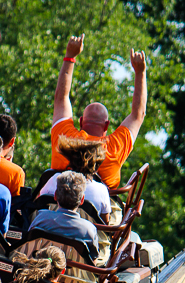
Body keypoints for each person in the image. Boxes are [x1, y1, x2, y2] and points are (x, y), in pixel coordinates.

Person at [51, 34, 147, 189]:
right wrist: (140, 72)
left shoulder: (64, 137)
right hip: (100, 209)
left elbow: (61, 98)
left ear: (81, 122)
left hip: (55, 207)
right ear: (106, 125)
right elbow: (138, 114)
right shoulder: (115, 147)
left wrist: (70, 56)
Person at [38, 136, 111, 222]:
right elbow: (104, 224)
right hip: (85, 234)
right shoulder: (101, 190)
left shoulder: (56, 179)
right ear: (96, 168)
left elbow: (39, 202)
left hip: (50, 230)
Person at [29, 171, 99, 260]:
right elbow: (93, 264)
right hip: (74, 274)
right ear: (82, 200)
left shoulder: (41, 218)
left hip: (41, 271)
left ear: (55, 196)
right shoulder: (88, 230)